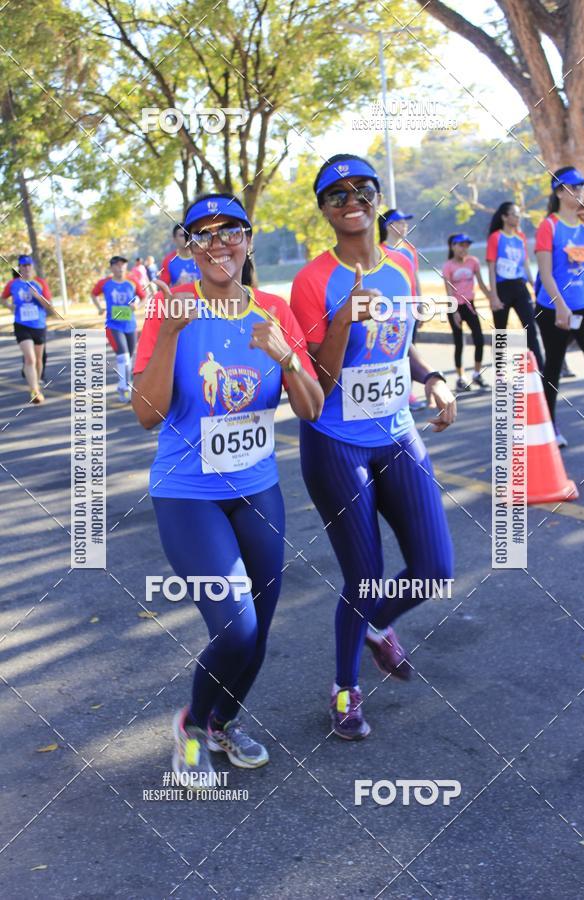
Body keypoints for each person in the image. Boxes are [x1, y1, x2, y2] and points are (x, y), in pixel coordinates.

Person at [132, 192, 323, 779]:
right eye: (203, 234)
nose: (218, 244)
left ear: (249, 239)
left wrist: (288, 356)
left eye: (230, 231)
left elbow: (312, 409)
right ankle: (191, 727)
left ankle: (222, 723)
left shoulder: (274, 309)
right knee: (235, 625)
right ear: (188, 247)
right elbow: (146, 415)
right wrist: (167, 337)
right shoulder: (170, 311)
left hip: (257, 488)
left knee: (259, 628)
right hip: (188, 492)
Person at [290, 154, 455, 741]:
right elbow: (316, 384)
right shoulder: (312, 280)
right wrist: (340, 322)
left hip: (397, 430)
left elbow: (400, 343)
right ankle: (345, 688)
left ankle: (376, 627)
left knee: (435, 569)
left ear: (377, 197)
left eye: (361, 189)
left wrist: (431, 377)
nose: (350, 199)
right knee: (365, 575)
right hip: (335, 440)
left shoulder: (404, 266)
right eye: (336, 195)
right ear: (324, 211)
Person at [535, 166, 584, 448]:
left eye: (582, 187)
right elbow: (546, 273)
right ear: (559, 192)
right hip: (554, 308)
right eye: (574, 188)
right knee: (553, 366)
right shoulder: (548, 226)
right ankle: (550, 426)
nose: (580, 192)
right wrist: (560, 306)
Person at [378, 208, 427, 411]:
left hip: (409, 311)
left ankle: (407, 394)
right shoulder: (378, 250)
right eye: (400, 222)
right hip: (387, 313)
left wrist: (420, 304)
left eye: (405, 222)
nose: (404, 225)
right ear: (388, 226)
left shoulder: (410, 250)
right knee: (388, 352)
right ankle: (387, 393)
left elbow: (414, 279)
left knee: (410, 349)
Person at [486, 202, 544, 371]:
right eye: (514, 214)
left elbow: (526, 264)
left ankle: (540, 369)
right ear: (504, 217)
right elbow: (491, 267)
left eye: (519, 214)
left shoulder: (521, 237)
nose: (518, 217)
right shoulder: (496, 237)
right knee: (501, 333)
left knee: (531, 328)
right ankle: (500, 372)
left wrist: (534, 285)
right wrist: (493, 296)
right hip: (502, 288)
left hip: (520, 287)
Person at [91, 255, 145, 402]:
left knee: (130, 358)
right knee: (123, 356)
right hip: (113, 325)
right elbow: (93, 294)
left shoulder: (132, 282)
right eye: (117, 265)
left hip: (130, 325)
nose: (120, 267)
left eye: (123, 265)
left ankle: (125, 384)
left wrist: (137, 306)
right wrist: (100, 308)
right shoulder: (105, 283)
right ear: (111, 267)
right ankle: (124, 388)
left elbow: (143, 296)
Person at [1, 254, 54, 404]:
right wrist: (10, 306)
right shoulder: (13, 284)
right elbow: (3, 298)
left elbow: (49, 306)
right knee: (29, 358)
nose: (26, 268)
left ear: (33, 267)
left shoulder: (40, 283)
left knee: (38, 359)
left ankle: (36, 384)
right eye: (23, 265)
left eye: (29, 265)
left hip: (38, 325)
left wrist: (38, 296)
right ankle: (34, 391)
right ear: (19, 268)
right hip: (21, 325)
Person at [442, 233, 491, 392]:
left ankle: (477, 374)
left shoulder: (473, 262)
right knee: (459, 343)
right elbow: (449, 291)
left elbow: (482, 284)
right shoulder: (448, 266)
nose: (464, 248)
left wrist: (492, 297)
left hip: (470, 305)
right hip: (455, 306)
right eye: (460, 245)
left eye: (466, 245)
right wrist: (454, 311)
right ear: (452, 246)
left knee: (479, 339)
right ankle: (460, 378)